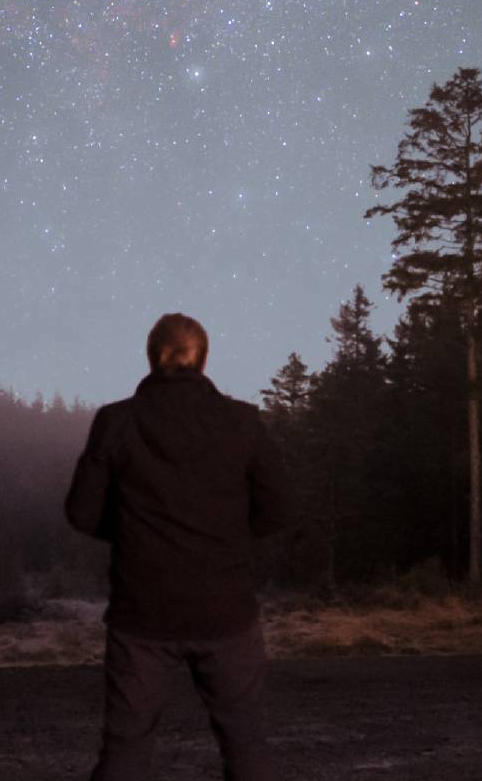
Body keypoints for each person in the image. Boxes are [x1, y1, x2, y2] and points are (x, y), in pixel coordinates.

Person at [64, 312, 291, 781]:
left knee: (125, 750)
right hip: (226, 612)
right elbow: (281, 509)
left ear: (151, 359)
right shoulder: (242, 421)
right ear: (203, 360)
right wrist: (225, 534)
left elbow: (82, 514)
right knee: (247, 746)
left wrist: (134, 531)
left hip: (141, 617)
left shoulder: (116, 421)